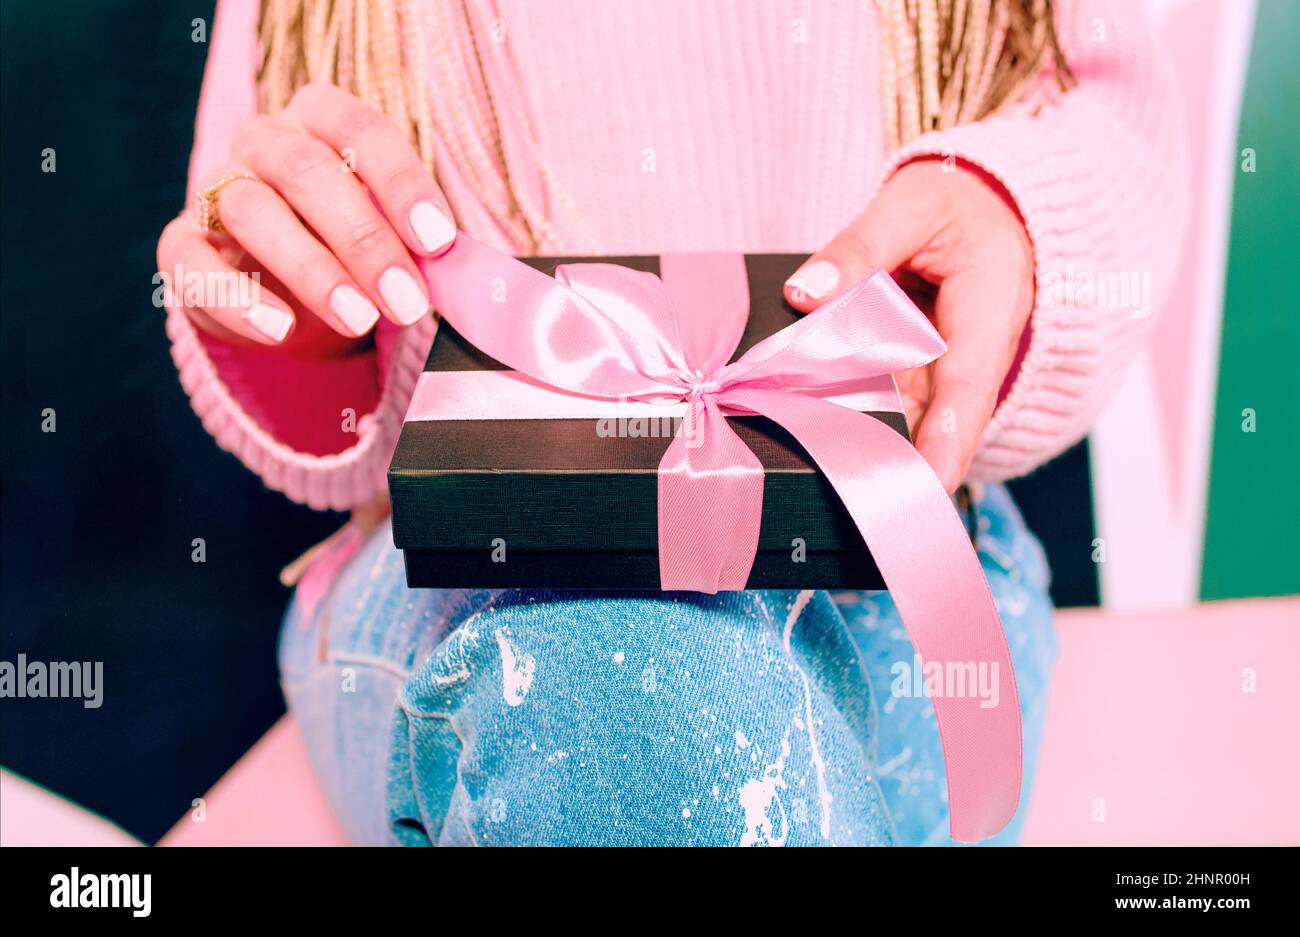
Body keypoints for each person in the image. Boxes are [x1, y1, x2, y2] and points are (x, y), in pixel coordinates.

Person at [156, 0, 1187, 845]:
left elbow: (1117, 124)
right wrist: (301, 334)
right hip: (456, 576)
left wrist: (1009, 213)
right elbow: (266, 192)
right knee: (627, 687)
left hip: (901, 552)